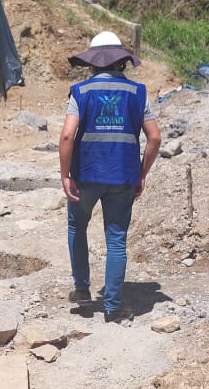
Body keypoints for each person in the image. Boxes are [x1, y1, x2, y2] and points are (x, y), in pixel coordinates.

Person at [58, 31, 161, 323]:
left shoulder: (80, 91)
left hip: (86, 176)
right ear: (121, 63)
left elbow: (67, 134)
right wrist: (141, 173)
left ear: (92, 63)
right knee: (116, 240)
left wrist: (65, 175)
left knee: (77, 227)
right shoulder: (138, 92)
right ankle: (113, 308)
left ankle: (82, 290)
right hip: (123, 178)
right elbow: (154, 138)